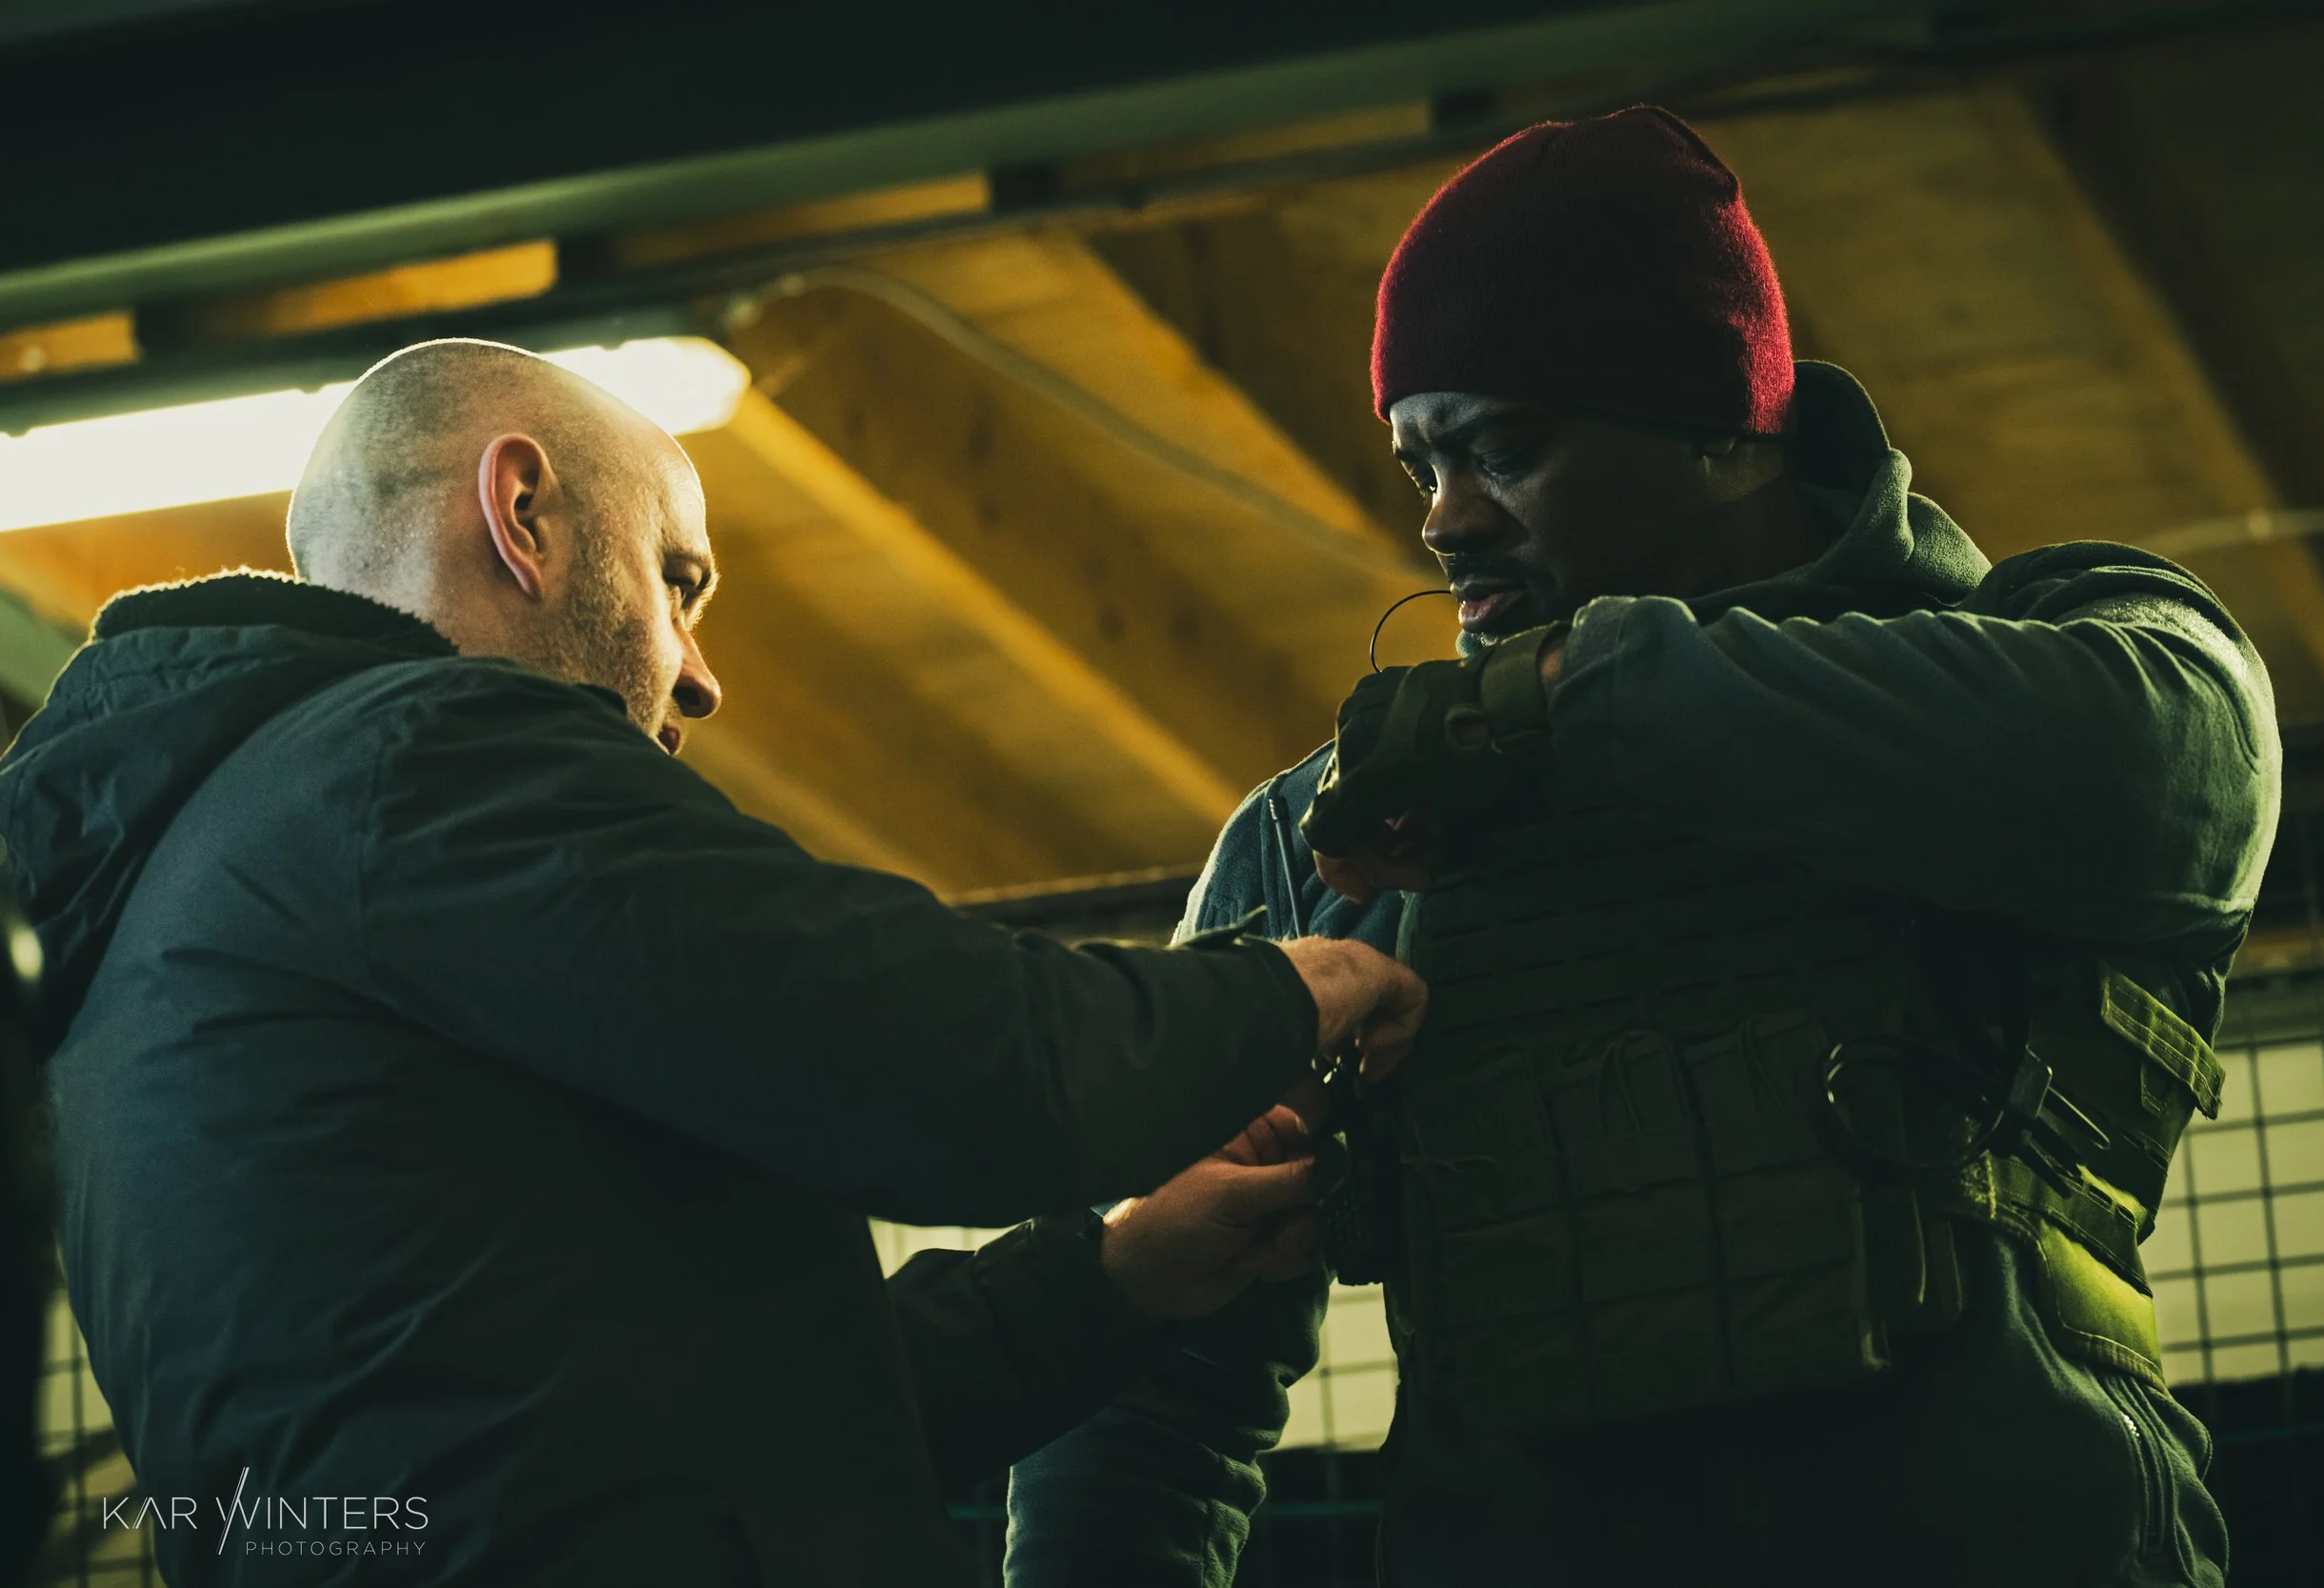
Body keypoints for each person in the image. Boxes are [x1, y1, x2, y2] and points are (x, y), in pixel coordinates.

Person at [1006, 107, 2276, 1588]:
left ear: (1720, 429)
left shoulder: (2066, 657)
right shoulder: (1332, 837)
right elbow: (1162, 1366)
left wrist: (1562, 695)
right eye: (1421, 462)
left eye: (1502, 449)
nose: (1443, 520)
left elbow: (2164, 777)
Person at [0, 338, 1429, 1586]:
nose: (699, 673)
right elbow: (927, 1049)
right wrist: (1287, 989)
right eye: (678, 582)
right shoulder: (412, 762)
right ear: (523, 513)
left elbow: (671, 1436)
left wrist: (1112, 1278)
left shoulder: (176, 921)